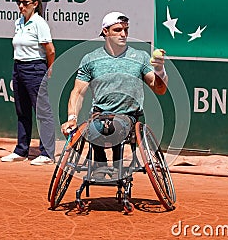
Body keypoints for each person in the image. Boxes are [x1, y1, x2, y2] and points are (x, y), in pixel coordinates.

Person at [60, 11, 168, 177]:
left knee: (115, 127)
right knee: (94, 127)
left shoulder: (140, 57)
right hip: (99, 115)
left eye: (126, 29)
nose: (123, 34)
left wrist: (160, 69)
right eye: (118, 30)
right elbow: (78, 92)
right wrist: (72, 118)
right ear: (105, 31)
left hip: (128, 116)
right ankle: (99, 164)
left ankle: (115, 167)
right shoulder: (90, 59)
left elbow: (159, 89)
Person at [1, 0, 56, 165]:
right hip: (18, 67)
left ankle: (47, 153)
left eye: (25, 3)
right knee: (22, 111)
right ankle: (21, 150)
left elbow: (50, 50)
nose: (21, 6)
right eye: (19, 2)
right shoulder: (18, 22)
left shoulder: (39, 23)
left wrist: (49, 68)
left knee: (42, 112)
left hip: (35, 68)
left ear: (35, 4)